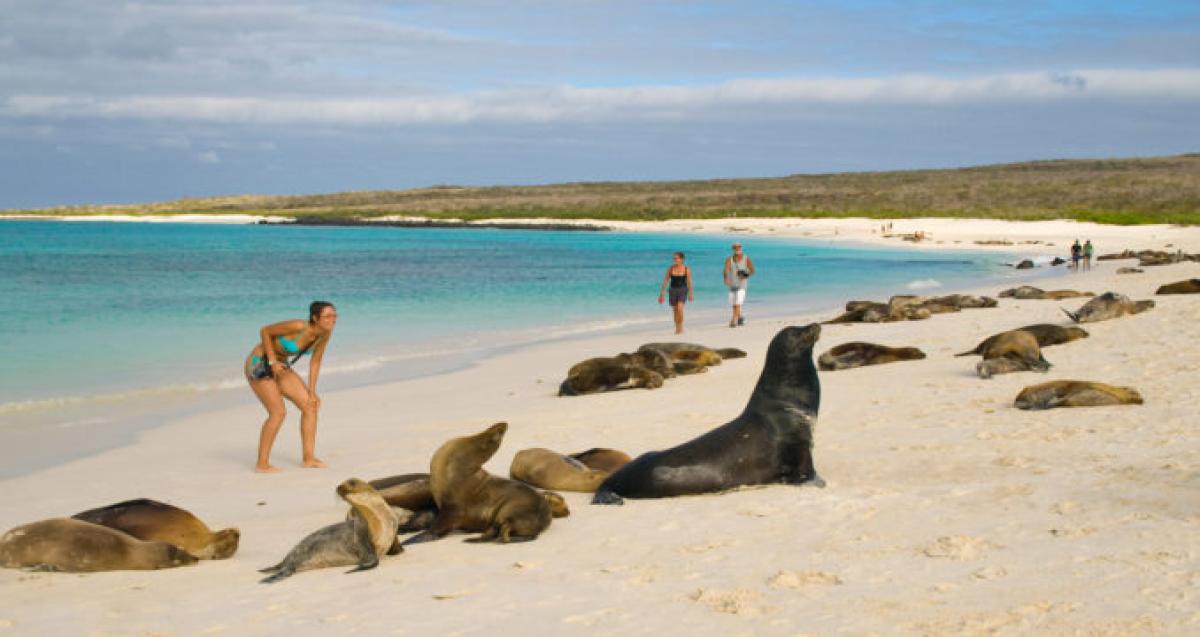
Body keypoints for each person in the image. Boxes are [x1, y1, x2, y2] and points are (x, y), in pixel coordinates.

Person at [245, 301, 337, 473]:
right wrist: (272, 361)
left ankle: (308, 458)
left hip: (281, 366)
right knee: (278, 413)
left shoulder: (324, 334)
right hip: (259, 363)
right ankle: (262, 464)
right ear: (315, 318)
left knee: (310, 405)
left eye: (335, 315)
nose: (333, 319)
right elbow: (265, 331)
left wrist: (312, 391)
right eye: (328, 316)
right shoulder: (297, 326)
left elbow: (315, 362)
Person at [658, 251, 694, 334]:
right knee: (675, 311)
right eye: (674, 258)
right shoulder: (670, 269)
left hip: (682, 290)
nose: (675, 260)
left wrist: (690, 293)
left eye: (676, 258)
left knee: (680, 308)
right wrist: (662, 293)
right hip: (672, 290)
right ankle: (677, 328)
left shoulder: (686, 269)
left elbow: (689, 282)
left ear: (681, 259)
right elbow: (666, 281)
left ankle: (681, 327)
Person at [723, 242, 755, 327]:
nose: (737, 249)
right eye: (735, 248)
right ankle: (740, 317)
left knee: (737, 303)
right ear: (733, 249)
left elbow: (752, 270)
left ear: (741, 248)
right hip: (732, 285)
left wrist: (745, 275)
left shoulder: (746, 258)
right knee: (734, 304)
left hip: (742, 285)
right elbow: (725, 270)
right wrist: (725, 278)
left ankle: (733, 320)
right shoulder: (729, 259)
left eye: (738, 247)